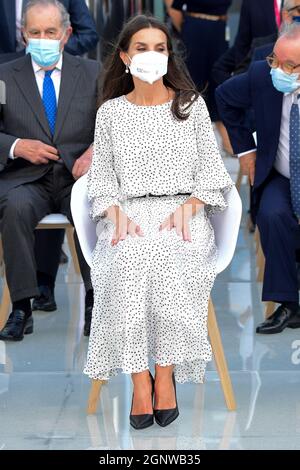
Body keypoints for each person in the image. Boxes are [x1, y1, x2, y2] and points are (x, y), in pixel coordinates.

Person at [84, 14, 233, 429]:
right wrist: (116, 214)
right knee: (126, 266)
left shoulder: (190, 105)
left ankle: (164, 375)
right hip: (128, 212)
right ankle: (139, 380)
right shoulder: (111, 113)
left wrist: (191, 205)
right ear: (124, 57)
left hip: (182, 212)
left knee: (170, 261)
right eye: (142, 48)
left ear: (170, 55)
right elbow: (103, 180)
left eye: (160, 48)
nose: (152, 56)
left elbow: (211, 170)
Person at [0, 0, 99, 342]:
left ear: (67, 34)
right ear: (23, 35)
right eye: (35, 32)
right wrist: (16, 146)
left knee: (94, 206)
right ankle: (22, 307)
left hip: (77, 178)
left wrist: (94, 151)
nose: (43, 39)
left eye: (51, 32)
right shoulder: (3, 76)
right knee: (13, 208)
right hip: (26, 177)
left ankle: (94, 302)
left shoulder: (93, 74)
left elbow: (114, 124)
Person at [216, 22, 300, 335]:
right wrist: (246, 152)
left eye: (289, 65)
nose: (278, 69)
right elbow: (224, 97)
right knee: (271, 213)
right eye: (275, 61)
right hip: (280, 172)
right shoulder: (262, 76)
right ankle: (287, 303)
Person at [166, 1, 232, 155]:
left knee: (220, 80)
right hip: (195, 28)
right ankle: (188, 139)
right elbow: (175, 9)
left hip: (220, 30)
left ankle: (226, 139)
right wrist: (188, 30)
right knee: (192, 84)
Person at [0, 0, 99, 63]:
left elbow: (88, 34)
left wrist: (53, 47)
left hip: (57, 67)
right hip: (8, 65)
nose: (42, 39)